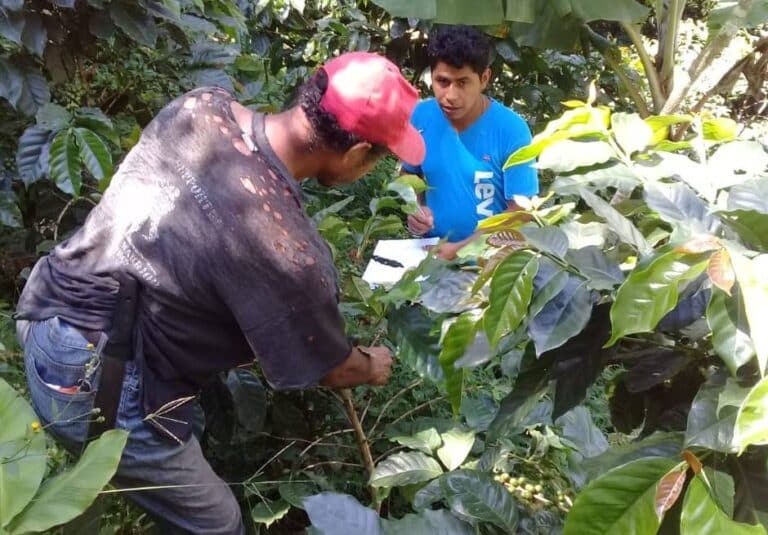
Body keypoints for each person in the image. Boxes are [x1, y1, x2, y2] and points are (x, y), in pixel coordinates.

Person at [13, 52, 425, 534]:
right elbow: (334, 368)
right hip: (92, 384)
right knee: (220, 524)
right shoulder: (289, 253)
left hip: (45, 307)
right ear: (358, 155)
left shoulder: (200, 107)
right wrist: (372, 364)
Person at [403, 25, 539, 259]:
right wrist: (413, 206)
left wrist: (460, 250)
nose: (451, 95)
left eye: (463, 82)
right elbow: (408, 175)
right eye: (442, 81)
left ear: (484, 78)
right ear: (431, 76)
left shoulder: (511, 130)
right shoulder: (420, 116)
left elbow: (522, 212)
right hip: (431, 254)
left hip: (491, 261)